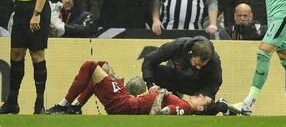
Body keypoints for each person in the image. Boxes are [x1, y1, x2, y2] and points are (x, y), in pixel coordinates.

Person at [46, 60, 229, 115]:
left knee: (90, 66)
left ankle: (64, 105)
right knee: (103, 66)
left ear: (200, 107)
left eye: (201, 98)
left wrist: (159, 94)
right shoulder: (185, 104)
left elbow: (156, 114)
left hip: (124, 105)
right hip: (126, 102)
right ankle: (76, 108)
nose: (198, 95)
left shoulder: (184, 108)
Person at [142, 36, 222, 105]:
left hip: (197, 86)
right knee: (155, 71)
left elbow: (214, 83)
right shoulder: (177, 46)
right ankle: (172, 98)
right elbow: (149, 60)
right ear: (190, 54)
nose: (198, 67)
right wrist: (150, 85)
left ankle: (223, 106)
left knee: (204, 108)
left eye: (202, 65)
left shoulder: (214, 61)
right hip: (175, 79)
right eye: (196, 63)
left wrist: (204, 96)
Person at [45, 61, 146, 114]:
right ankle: (76, 106)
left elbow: (100, 65)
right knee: (97, 69)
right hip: (121, 98)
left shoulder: (124, 93)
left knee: (92, 66)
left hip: (121, 98)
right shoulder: (127, 94)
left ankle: (67, 105)